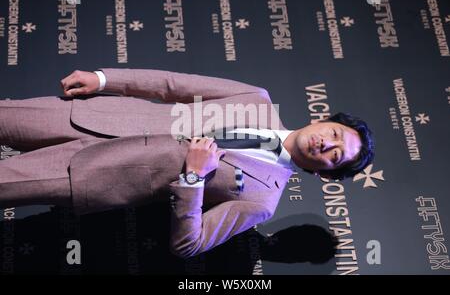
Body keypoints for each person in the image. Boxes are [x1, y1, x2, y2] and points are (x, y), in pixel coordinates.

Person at [0, 68, 374, 258]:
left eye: (335, 155)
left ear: (325, 172)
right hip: (95, 115)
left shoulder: (262, 202)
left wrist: (193, 178)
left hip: (94, 174)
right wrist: (104, 79)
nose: (327, 144)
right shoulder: (257, 99)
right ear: (323, 120)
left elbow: (189, 244)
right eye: (335, 134)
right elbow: (173, 84)